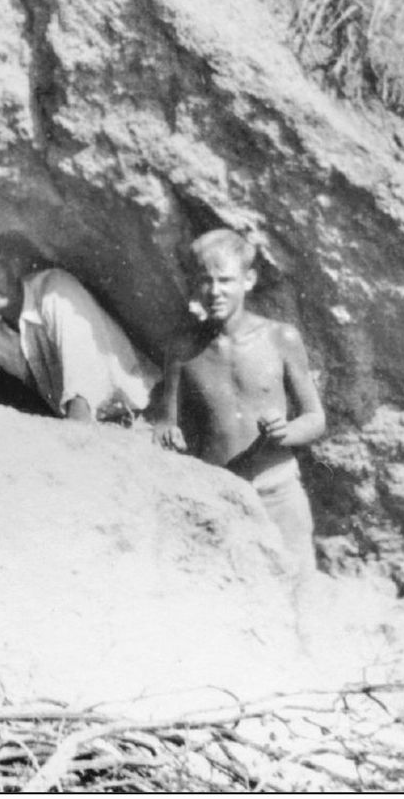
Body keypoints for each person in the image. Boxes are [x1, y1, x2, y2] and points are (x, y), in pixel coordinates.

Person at [153, 229, 325, 569]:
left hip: (278, 493)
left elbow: (315, 418)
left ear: (249, 280)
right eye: (205, 280)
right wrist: (169, 434)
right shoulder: (183, 350)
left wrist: (285, 432)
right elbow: (165, 423)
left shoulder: (280, 338)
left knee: (298, 593)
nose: (215, 291)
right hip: (219, 496)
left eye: (226, 280)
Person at [0, 239, 158, 426]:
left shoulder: (55, 290)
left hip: (147, 413)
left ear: (13, 266)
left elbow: (84, 368)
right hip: (95, 426)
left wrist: (75, 438)